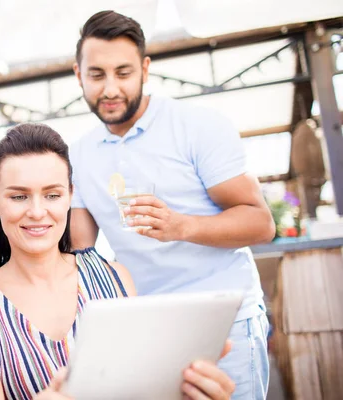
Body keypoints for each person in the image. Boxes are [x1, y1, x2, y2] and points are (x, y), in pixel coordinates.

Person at [0, 123, 236, 400]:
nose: (36, 211)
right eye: (19, 197)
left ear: (70, 195)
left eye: (52, 195)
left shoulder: (114, 278)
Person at [69, 11, 276, 400]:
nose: (110, 88)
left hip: (223, 319)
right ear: (78, 75)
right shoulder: (77, 156)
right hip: (147, 328)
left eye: (123, 72)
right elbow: (79, 253)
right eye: (96, 75)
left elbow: (261, 223)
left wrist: (182, 227)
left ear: (145, 70)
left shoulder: (198, 126)